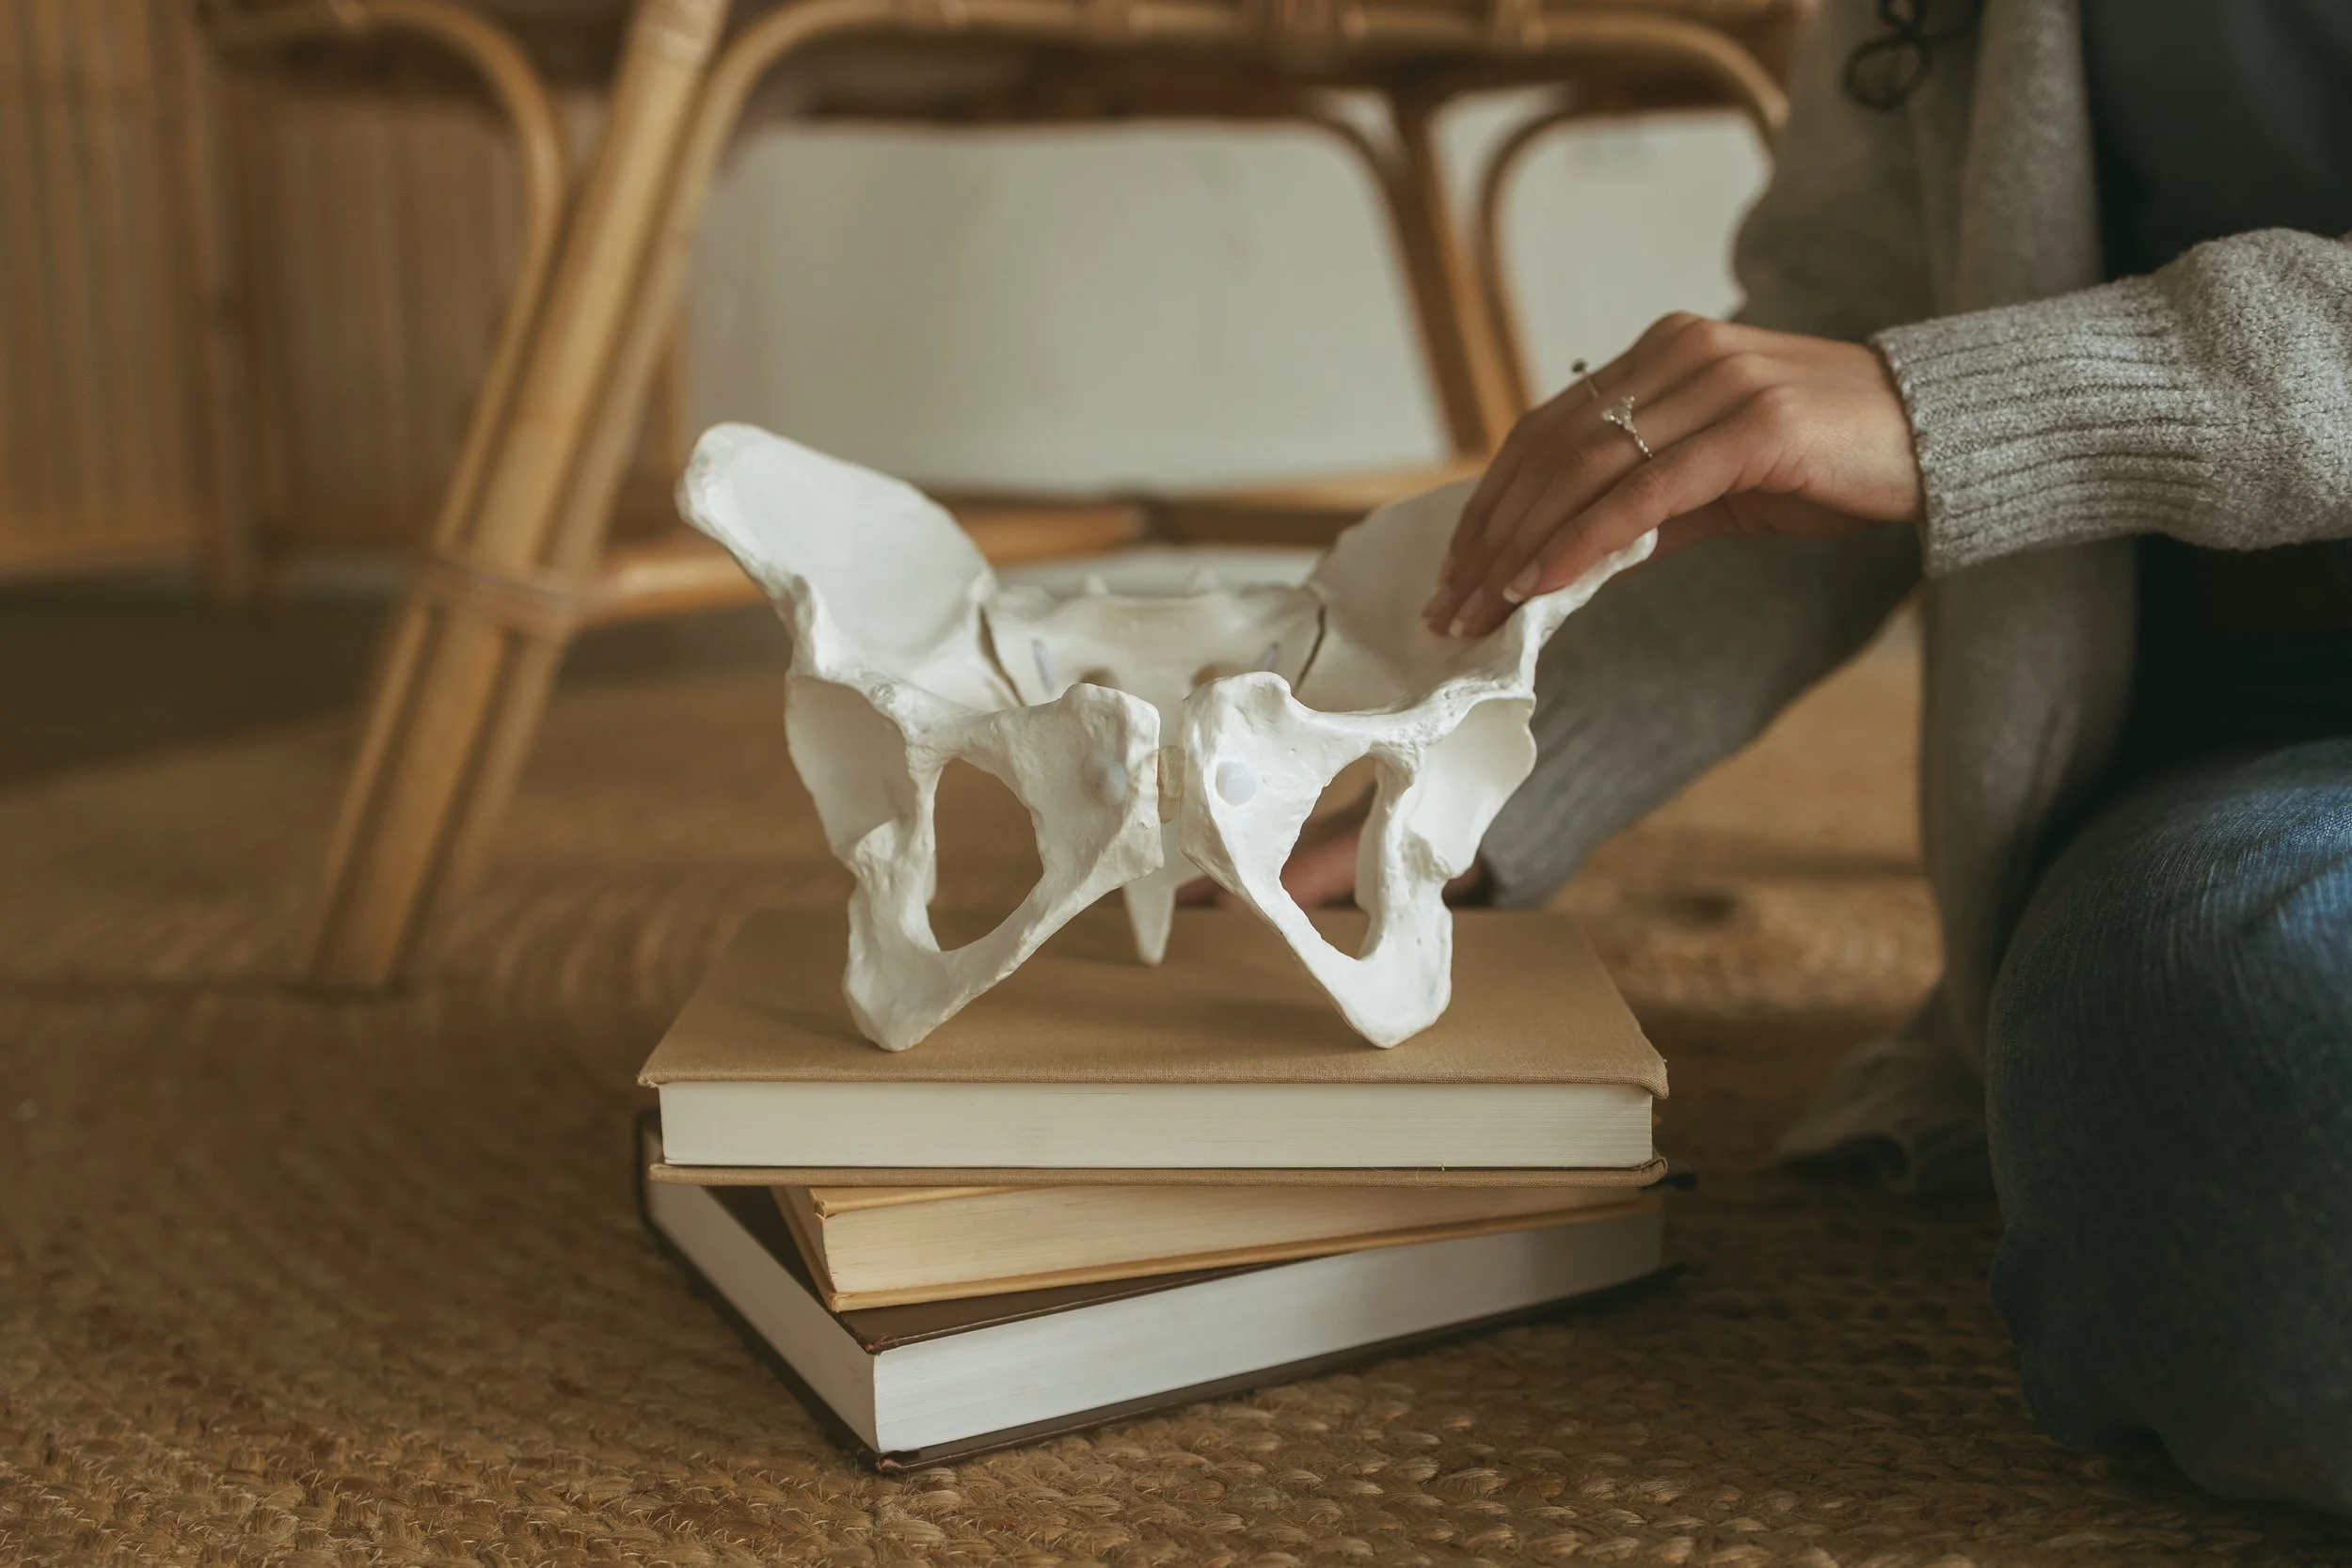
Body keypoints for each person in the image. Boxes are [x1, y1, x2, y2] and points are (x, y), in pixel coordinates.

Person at [1282, 0, 2352, 1517]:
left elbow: (1921, 394)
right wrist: (1469, 766)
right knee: (2273, 1154)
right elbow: (1843, 378)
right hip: (2241, 786)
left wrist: (1970, 400)